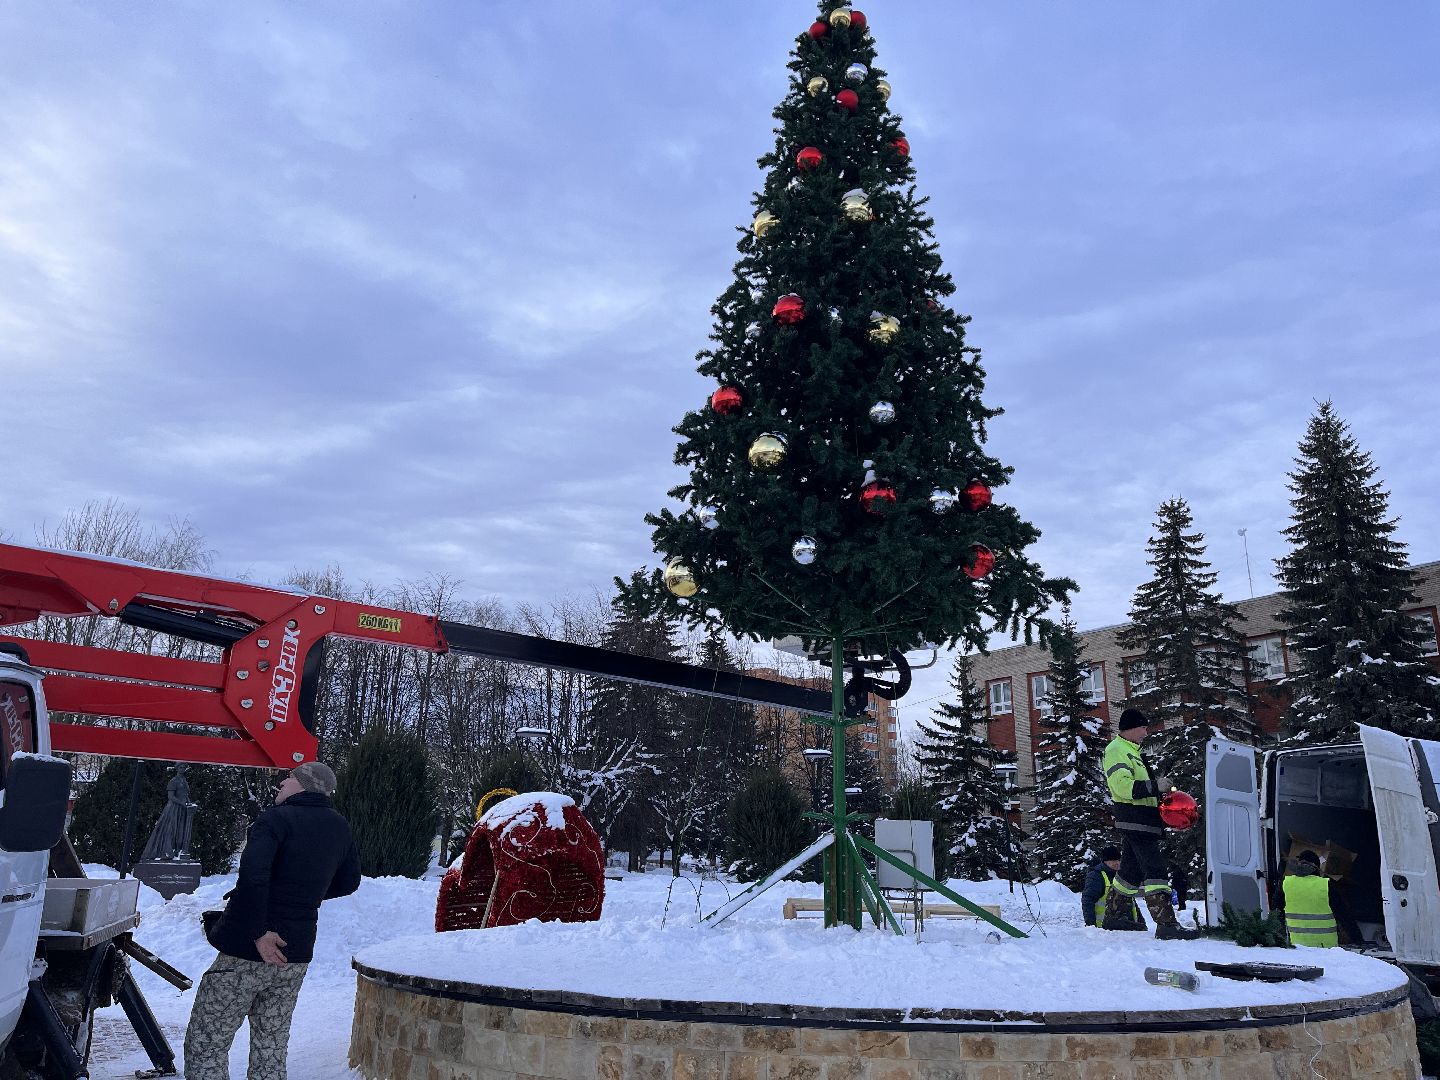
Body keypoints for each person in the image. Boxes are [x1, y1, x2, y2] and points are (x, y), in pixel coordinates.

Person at [185, 761, 360, 1080]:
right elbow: (348, 882)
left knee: (206, 1043)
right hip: (295, 954)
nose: (282, 781)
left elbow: (253, 877)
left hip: (246, 953)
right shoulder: (339, 826)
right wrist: (303, 895)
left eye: (290, 777)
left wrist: (258, 932)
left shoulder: (274, 820)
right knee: (271, 1047)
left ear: (305, 785)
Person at [1100, 708, 1198, 940]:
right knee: (1154, 869)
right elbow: (1121, 786)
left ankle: (1114, 917)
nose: (1146, 732)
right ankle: (1166, 924)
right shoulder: (1116, 750)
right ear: (1132, 728)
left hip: (1141, 819)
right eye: (1143, 728)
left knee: (1130, 873)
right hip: (1135, 818)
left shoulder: (1130, 750)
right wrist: (1156, 786)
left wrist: (1160, 795)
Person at [1279, 849, 1361, 948]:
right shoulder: (1325, 885)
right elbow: (1344, 916)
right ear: (1317, 867)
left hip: (1297, 948)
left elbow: (1276, 914)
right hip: (1326, 949)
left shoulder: (1286, 884)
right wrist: (1358, 940)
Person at [1082, 845, 1146, 930]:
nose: (1117, 863)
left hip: (1129, 928)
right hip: (1105, 931)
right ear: (1105, 861)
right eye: (1112, 860)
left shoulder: (1122, 876)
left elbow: (1131, 902)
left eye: (1118, 860)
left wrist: (1141, 923)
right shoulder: (1096, 876)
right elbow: (1088, 900)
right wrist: (1091, 926)